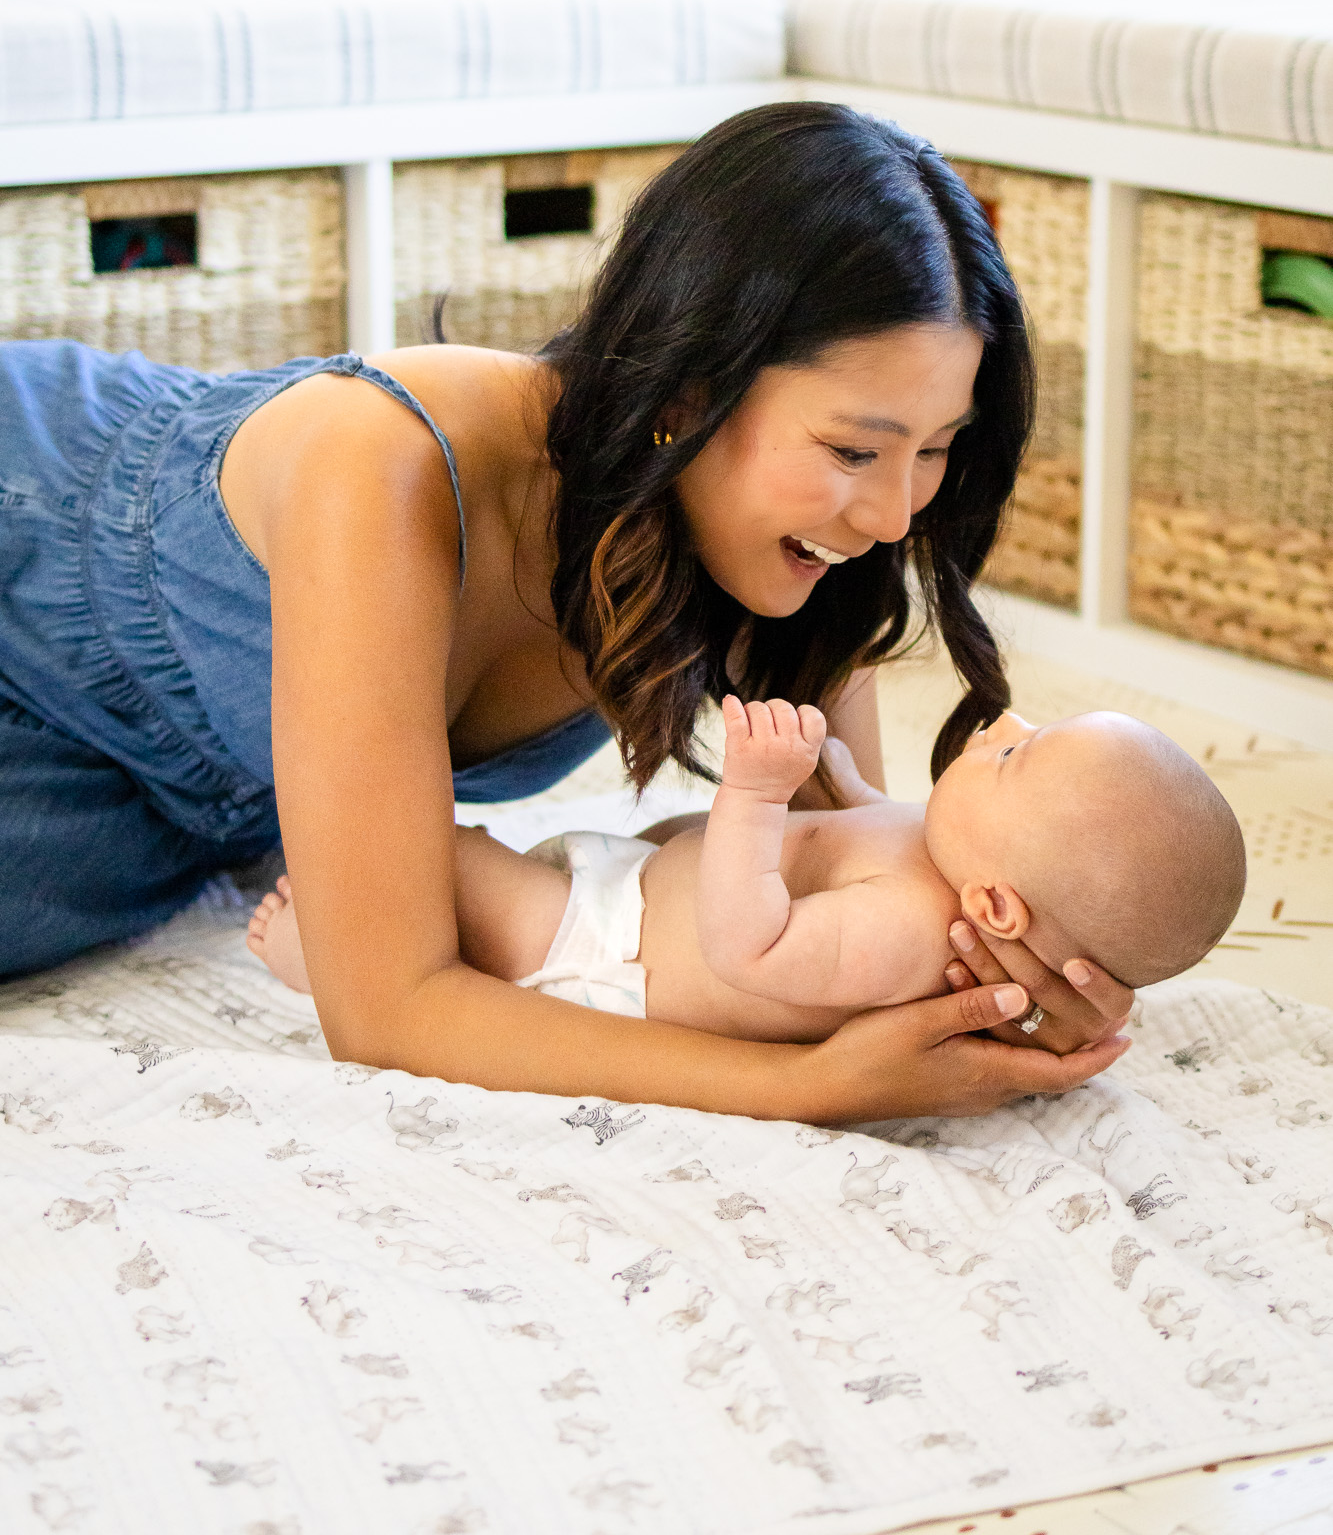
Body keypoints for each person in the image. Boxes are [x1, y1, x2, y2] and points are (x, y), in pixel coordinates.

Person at [0, 102, 1133, 1119]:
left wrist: (1007, 981)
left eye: (934, 451)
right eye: (851, 448)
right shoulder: (383, 467)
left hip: (164, 812)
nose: (892, 514)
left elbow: (859, 871)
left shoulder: (792, 549)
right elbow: (386, 1008)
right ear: (691, 391)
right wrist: (802, 1085)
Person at [247, 701, 1245, 1041]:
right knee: (440, 855)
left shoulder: (909, 931)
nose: (1003, 723)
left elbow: (749, 945)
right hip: (630, 887)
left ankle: (317, 955)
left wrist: (756, 795)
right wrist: (837, 776)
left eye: (1018, 755)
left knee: (433, 856)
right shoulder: (953, 853)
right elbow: (869, 821)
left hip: (598, 950)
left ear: (993, 904)